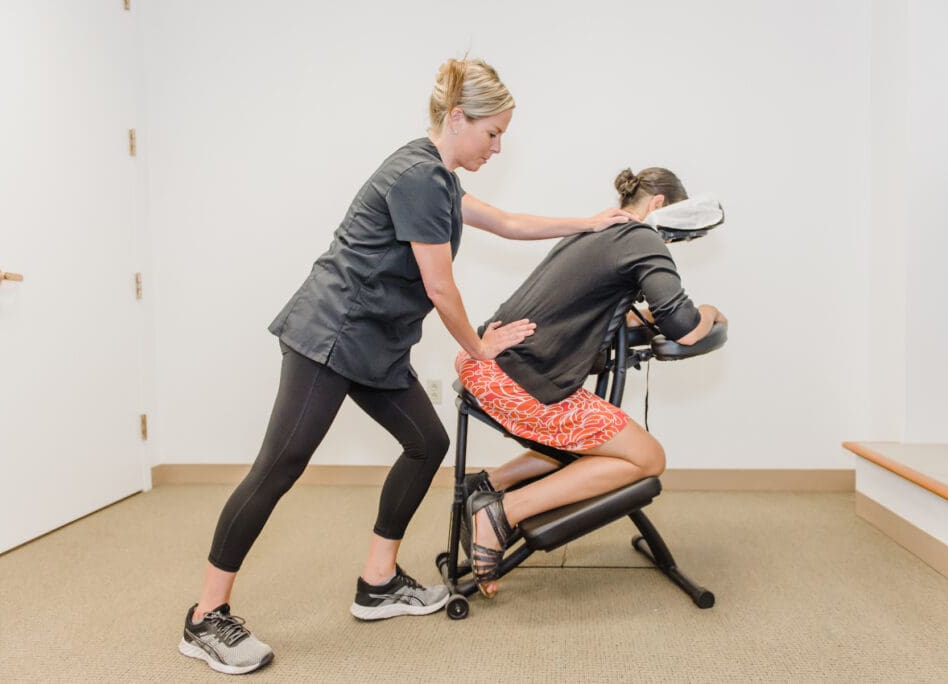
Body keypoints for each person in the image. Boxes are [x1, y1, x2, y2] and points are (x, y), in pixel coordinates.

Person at [178, 57, 635, 675]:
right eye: (492, 133)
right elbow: (441, 287)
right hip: (330, 337)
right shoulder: (419, 177)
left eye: (504, 135)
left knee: (427, 442)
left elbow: (504, 221)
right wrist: (479, 348)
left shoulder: (438, 175)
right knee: (279, 467)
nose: (498, 147)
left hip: (376, 343)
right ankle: (206, 617)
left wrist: (588, 221)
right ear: (456, 119)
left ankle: (378, 582)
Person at [455, 167, 727, 597]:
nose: (671, 242)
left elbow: (606, 310)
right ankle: (501, 513)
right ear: (658, 206)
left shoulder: (593, 233)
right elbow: (685, 327)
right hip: (521, 385)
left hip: (487, 367)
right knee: (647, 458)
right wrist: (711, 311)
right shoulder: (642, 237)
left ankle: (490, 484)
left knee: (599, 442)